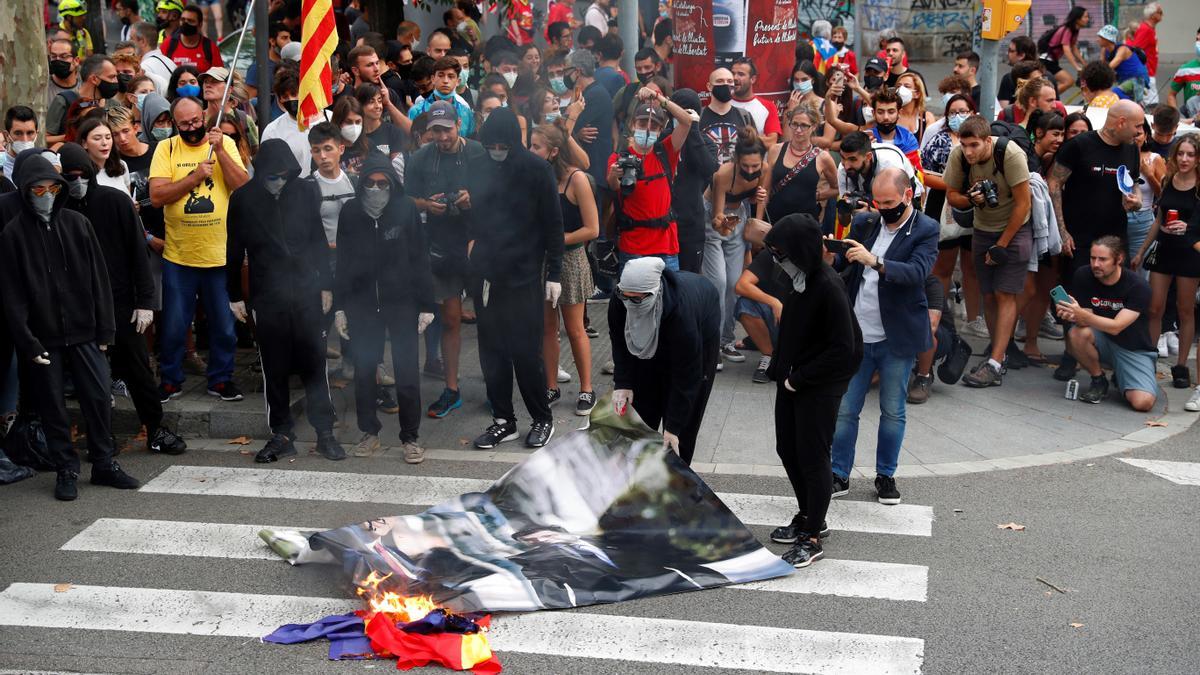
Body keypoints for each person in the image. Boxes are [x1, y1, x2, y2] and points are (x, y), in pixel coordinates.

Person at [0, 154, 141, 500]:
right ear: (25, 192)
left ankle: (104, 463)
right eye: (37, 190)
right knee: (52, 407)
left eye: (51, 188)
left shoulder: (78, 224)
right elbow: (12, 295)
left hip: (85, 333)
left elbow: (99, 281)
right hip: (43, 339)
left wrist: (105, 332)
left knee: (97, 398)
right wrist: (28, 342)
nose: (46, 195)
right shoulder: (13, 235)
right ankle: (66, 468)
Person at [57, 143, 186, 457]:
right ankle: (101, 437)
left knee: (139, 371)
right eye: (70, 177)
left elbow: (137, 254)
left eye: (81, 175)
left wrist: (145, 301)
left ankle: (155, 429)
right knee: (92, 378)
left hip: (123, 303)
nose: (77, 182)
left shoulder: (116, 202)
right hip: (84, 308)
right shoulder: (62, 210)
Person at [226, 138, 346, 464]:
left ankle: (325, 433)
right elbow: (234, 251)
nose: (278, 182)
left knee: (314, 364)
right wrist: (234, 295)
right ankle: (281, 432)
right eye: (272, 176)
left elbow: (318, 240)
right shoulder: (243, 199)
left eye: (283, 175)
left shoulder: (305, 191)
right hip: (268, 295)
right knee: (274, 367)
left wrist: (326, 286)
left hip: (306, 290)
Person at [830, 167, 938, 505]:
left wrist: (875, 261)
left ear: (908, 195)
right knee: (846, 409)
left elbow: (917, 272)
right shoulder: (865, 223)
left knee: (893, 410)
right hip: (858, 333)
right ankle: (838, 472)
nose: (883, 208)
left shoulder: (926, 228)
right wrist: (832, 253)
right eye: (877, 202)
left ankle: (885, 475)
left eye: (889, 202)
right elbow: (844, 266)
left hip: (896, 338)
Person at [762, 214, 862, 567]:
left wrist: (798, 379)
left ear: (800, 251)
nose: (777, 259)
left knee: (812, 455)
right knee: (787, 448)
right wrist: (779, 370)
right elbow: (792, 329)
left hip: (819, 383)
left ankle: (812, 536)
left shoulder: (827, 286)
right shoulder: (799, 278)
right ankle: (809, 515)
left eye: (780, 252)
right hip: (793, 377)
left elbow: (844, 349)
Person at [470, 108, 564, 450]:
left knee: (526, 352)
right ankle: (503, 420)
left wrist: (554, 272)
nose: (496, 150)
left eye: (502, 144)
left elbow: (554, 225)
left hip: (524, 275)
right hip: (486, 276)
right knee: (492, 352)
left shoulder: (537, 170)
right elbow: (476, 218)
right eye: (491, 144)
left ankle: (542, 418)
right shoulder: (479, 166)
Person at [333, 153, 436, 463]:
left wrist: (426, 304)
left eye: (383, 183)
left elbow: (420, 257)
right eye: (371, 184)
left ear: (392, 184)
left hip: (402, 303)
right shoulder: (351, 212)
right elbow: (343, 263)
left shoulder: (405, 209)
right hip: (363, 304)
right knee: (365, 372)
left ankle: (411, 437)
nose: (376, 189)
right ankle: (370, 432)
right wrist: (340, 307)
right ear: (362, 184)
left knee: (406, 373)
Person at [149, 96, 249, 402]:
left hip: (219, 254)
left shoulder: (223, 145)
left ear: (204, 116)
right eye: (184, 124)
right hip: (179, 255)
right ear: (175, 124)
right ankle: (170, 379)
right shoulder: (166, 149)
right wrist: (194, 177)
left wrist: (220, 151)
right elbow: (157, 196)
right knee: (175, 325)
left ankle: (220, 379)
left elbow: (243, 186)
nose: (192, 128)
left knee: (223, 325)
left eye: (196, 121)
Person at [1049, 100, 1144, 381]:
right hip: (1079, 236)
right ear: (1121, 122)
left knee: (1113, 295)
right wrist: (1062, 231)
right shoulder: (1080, 145)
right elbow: (1054, 183)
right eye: (1137, 126)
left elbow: (1134, 186)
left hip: (1115, 236)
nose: (1141, 132)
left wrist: (1135, 202)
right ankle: (1071, 354)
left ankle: (1108, 353)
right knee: (1074, 295)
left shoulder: (1131, 149)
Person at [407, 101, 486, 419]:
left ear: (459, 126)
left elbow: (501, 197)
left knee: (491, 321)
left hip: (479, 244)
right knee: (451, 320)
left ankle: (496, 387)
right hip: (441, 247)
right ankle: (451, 388)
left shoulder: (479, 153)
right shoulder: (421, 157)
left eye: (446, 129)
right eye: (435, 131)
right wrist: (426, 205)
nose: (441, 137)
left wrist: (473, 199)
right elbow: (405, 200)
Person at [944, 115, 1033, 387]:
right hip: (982, 228)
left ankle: (994, 363)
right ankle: (999, 352)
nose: (968, 151)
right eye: (964, 145)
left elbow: (1023, 204)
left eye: (974, 145)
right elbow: (952, 197)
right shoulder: (959, 156)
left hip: (1015, 229)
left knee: (1005, 293)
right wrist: (971, 198)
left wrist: (1002, 244)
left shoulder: (1009, 154)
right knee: (989, 294)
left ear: (987, 140)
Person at [610, 257, 720, 464]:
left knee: (680, 433)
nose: (629, 304)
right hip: (646, 344)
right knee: (643, 411)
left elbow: (687, 376)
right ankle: (640, 474)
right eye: (625, 297)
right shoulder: (620, 299)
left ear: (655, 293)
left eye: (636, 299)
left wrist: (673, 428)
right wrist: (623, 382)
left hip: (699, 338)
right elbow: (618, 340)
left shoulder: (683, 316)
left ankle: (678, 477)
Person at [530, 124, 599, 414]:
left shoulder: (576, 179)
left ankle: (586, 389)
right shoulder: (535, 176)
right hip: (541, 260)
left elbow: (592, 229)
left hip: (570, 260)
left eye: (536, 147)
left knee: (575, 329)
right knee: (547, 328)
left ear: (554, 151)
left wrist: (560, 239)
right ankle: (551, 385)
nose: (531, 151)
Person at [1056, 237, 1158, 412]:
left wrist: (1083, 316)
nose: (1096, 264)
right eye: (1093, 258)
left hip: (1133, 347)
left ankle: (1123, 376)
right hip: (1102, 339)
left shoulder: (1138, 286)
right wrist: (1073, 313)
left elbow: (1117, 326)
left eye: (1102, 259)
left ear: (1119, 259)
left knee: (1143, 403)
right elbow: (1086, 316)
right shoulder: (1083, 275)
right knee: (1076, 333)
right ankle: (1098, 380)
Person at [1134, 134, 1200, 390]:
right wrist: (1141, 250)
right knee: (1154, 307)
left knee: (1185, 310)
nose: (1184, 159)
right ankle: (1149, 359)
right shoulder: (1168, 179)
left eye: (1190, 155)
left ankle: (1181, 365)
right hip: (1164, 249)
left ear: (1197, 159)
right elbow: (1159, 220)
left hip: (1190, 252)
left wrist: (1190, 227)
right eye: (1181, 153)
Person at [607, 91, 693, 272]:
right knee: (634, 300)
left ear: (661, 130)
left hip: (666, 246)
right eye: (642, 123)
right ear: (632, 125)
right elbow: (613, 187)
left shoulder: (666, 152)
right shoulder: (619, 157)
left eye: (654, 126)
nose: (647, 129)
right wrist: (614, 174)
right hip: (634, 247)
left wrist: (659, 98)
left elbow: (686, 121)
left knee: (670, 299)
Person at [706, 126, 766, 365]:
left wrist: (751, 243)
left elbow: (758, 216)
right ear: (736, 160)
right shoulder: (723, 174)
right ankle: (711, 345)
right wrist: (723, 223)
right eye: (746, 166)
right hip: (714, 220)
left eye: (755, 166)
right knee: (718, 282)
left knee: (733, 283)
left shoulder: (765, 169)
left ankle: (726, 340)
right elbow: (716, 217)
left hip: (741, 218)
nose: (751, 171)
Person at [669, 88, 719, 275]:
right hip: (663, 224)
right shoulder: (664, 137)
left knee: (688, 280)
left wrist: (692, 131)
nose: (682, 117)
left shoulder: (705, 142)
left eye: (687, 112)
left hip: (690, 225)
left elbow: (708, 168)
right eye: (678, 112)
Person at [260, 69, 325, 178]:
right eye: (285, 97)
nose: (291, 100)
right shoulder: (273, 130)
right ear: (279, 100)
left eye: (294, 94)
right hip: (294, 192)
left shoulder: (330, 119)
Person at [47, 54, 119, 147]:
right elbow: (45, 138)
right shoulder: (65, 100)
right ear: (94, 79)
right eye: (111, 77)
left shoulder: (113, 104)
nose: (115, 81)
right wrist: (70, 137)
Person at [1127, 120, 1165, 273]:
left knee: (1140, 269)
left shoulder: (1155, 158)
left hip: (1142, 221)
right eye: (1132, 134)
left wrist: (1149, 174)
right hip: (1115, 218)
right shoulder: (1115, 155)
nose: (1135, 137)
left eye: (1139, 134)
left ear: (1146, 136)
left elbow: (1164, 196)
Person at [408, 56, 475, 138]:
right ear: (433, 79)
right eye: (441, 75)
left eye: (451, 76)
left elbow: (470, 142)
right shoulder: (416, 111)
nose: (445, 81)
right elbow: (411, 143)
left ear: (458, 81)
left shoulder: (466, 112)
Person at [699, 67, 753, 166]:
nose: (725, 84)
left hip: (736, 178)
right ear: (709, 86)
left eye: (729, 81)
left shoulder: (745, 116)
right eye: (720, 81)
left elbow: (752, 149)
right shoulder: (698, 116)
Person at [76, 116, 132, 198]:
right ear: (84, 143)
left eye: (108, 137)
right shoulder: (81, 175)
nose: (104, 143)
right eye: (97, 138)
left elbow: (128, 197)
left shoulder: (120, 165)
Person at [730, 58, 781, 145]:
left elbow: (771, 141)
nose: (735, 78)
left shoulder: (768, 106)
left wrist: (744, 138)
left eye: (741, 74)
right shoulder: (722, 103)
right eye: (733, 73)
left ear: (753, 79)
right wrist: (757, 138)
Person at [1041, 6, 1090, 94]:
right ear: (1077, 18)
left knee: (1052, 84)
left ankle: (1048, 99)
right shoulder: (1067, 30)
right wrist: (1077, 67)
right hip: (1046, 61)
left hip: (1052, 61)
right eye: (1085, 17)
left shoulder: (1075, 30)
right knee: (1068, 81)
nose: (1087, 19)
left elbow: (1074, 48)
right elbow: (1067, 49)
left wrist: (1084, 63)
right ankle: (1048, 99)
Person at [1096, 24, 1149, 103]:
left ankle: (1135, 105)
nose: (1097, 39)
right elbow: (1100, 66)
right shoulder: (1104, 49)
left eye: (1100, 37)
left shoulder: (1122, 49)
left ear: (1107, 39)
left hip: (1137, 79)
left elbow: (1109, 67)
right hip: (1123, 80)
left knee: (1114, 93)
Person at [162, 4, 223, 72]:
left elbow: (220, 76)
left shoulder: (210, 47)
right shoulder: (169, 44)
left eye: (190, 21)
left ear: (200, 25)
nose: (185, 23)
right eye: (183, 20)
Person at [1128, 3, 1163, 104]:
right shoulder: (1145, 29)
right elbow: (1135, 50)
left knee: (1150, 104)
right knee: (1151, 104)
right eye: (1160, 12)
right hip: (1146, 73)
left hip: (1149, 71)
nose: (1162, 15)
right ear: (1152, 15)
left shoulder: (1149, 29)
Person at [998, 36, 1038, 106]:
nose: (1008, 54)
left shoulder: (1009, 78)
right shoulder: (1049, 76)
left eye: (1011, 51)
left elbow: (1003, 108)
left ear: (1021, 55)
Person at [1167, 28, 1200, 113]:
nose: (1198, 43)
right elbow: (1171, 95)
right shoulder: (1186, 69)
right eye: (1197, 40)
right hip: (1192, 123)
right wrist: (1176, 117)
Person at [2, 107, 38, 182]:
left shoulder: (47, 163)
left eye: (30, 133)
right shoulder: (1, 165)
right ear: (6, 136)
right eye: (18, 133)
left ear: (36, 134)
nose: (25, 139)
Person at [47, 38, 80, 112]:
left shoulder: (83, 88)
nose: (58, 60)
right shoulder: (43, 88)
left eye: (64, 56)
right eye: (54, 56)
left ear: (76, 61)